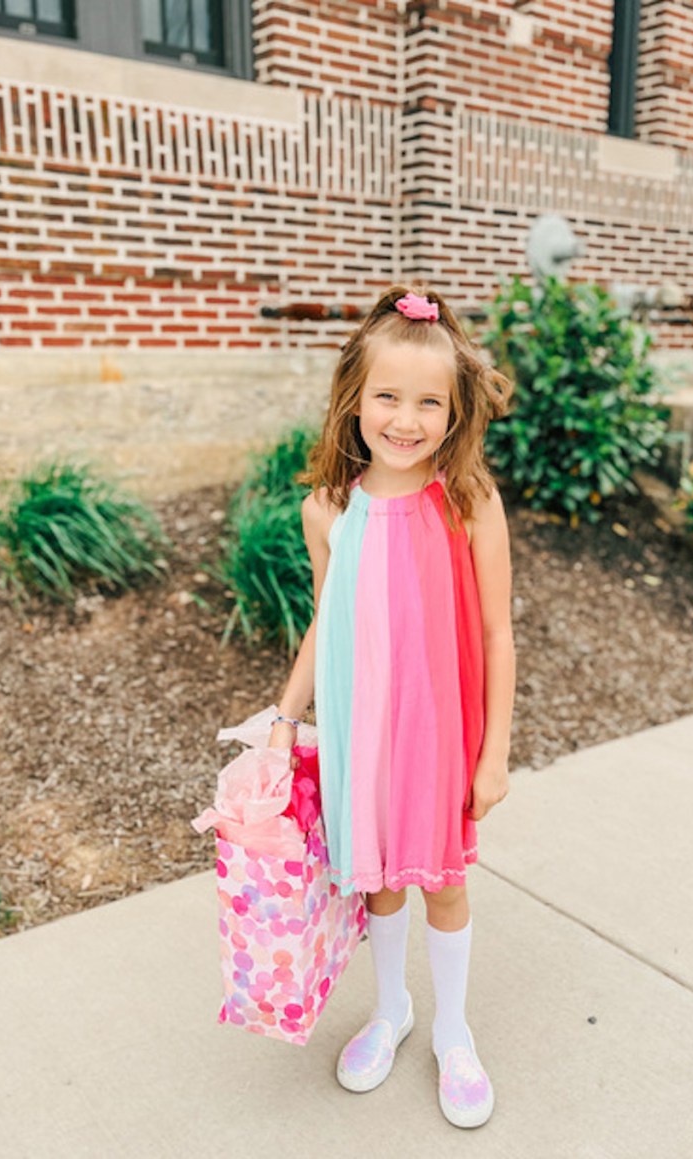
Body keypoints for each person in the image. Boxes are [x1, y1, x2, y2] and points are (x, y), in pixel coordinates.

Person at [268, 284, 515, 1129]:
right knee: (379, 885)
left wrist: (495, 754)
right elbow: (323, 621)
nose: (405, 419)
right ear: (354, 399)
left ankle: (452, 1029)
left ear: (455, 411)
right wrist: (283, 721)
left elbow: (496, 632)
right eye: (388, 397)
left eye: (428, 402)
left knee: (442, 882)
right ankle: (392, 1008)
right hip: (359, 733)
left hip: (442, 737)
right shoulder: (328, 509)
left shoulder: (469, 503)